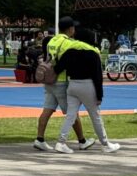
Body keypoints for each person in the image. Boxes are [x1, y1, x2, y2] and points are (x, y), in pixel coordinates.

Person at [53, 27, 120, 153]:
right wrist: (100, 95)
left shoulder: (69, 51)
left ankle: (61, 142)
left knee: (70, 116)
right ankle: (105, 144)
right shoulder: (93, 53)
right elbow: (97, 76)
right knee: (95, 116)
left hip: (72, 85)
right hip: (88, 85)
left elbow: (57, 69)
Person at [33, 17, 95, 152]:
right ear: (70, 29)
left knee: (47, 110)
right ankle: (82, 141)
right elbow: (81, 48)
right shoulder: (67, 43)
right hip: (61, 81)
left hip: (49, 81)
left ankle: (40, 139)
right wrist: (94, 50)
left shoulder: (52, 40)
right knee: (72, 113)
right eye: (73, 27)